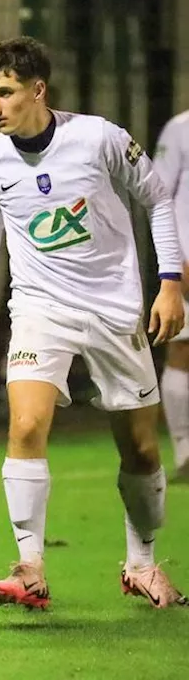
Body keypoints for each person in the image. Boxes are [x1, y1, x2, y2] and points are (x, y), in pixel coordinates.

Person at [0, 35, 187, 609]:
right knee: (27, 425)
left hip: (113, 309)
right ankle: (29, 565)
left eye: (4, 93)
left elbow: (156, 198)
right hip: (39, 308)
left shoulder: (99, 138)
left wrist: (171, 282)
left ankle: (142, 562)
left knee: (141, 452)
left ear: (38, 90)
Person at [153, 109, 189, 482]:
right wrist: (176, 263)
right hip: (188, 264)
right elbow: (159, 196)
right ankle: (184, 451)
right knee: (182, 349)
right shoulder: (180, 129)